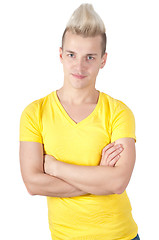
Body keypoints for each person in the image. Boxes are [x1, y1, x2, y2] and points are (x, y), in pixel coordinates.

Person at [19, 4, 140, 240]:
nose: (79, 66)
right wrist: (99, 176)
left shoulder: (118, 112)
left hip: (121, 235)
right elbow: (33, 184)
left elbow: (117, 182)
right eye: (72, 55)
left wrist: (54, 168)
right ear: (61, 54)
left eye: (90, 57)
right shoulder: (34, 113)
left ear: (103, 60)